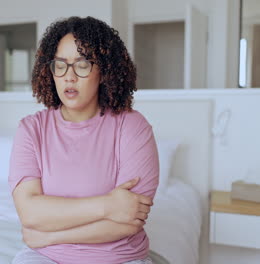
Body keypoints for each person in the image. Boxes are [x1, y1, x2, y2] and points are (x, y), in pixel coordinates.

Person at [9, 17, 159, 264]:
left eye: (82, 64)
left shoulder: (132, 126)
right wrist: (109, 205)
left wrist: (45, 236)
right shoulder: (31, 129)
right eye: (60, 65)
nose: (69, 76)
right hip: (45, 257)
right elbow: (29, 212)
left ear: (103, 71)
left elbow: (130, 220)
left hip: (118, 258)